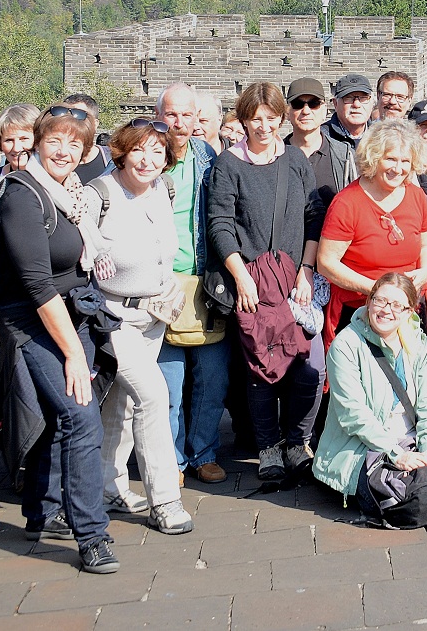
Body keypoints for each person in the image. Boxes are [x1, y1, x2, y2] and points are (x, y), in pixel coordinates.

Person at [0, 104, 118, 574]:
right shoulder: (21, 197)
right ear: (38, 143)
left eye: (75, 144)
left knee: (54, 415)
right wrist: (70, 353)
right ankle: (92, 535)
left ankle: (41, 511)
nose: (64, 151)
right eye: (54, 141)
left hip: (73, 314)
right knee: (80, 415)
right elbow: (37, 286)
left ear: (86, 152)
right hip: (33, 320)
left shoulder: (75, 196)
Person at [206, 83, 324, 489]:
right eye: (255, 118)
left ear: (281, 118)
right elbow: (220, 222)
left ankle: (297, 443)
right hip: (252, 279)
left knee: (303, 365)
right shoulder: (228, 164)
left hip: (294, 278)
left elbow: (313, 216)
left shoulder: (294, 159)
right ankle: (268, 447)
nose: (263, 125)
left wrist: (307, 270)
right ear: (243, 120)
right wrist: (240, 277)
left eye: (271, 117)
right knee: (259, 367)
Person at [92, 118, 194, 534]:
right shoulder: (98, 194)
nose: (148, 159)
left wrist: (168, 288)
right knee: (154, 394)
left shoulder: (162, 192)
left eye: (158, 151)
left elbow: (163, 253)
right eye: (139, 150)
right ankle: (166, 501)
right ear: (121, 151)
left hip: (151, 316)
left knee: (124, 403)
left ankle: (108, 487)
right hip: (111, 316)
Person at [154, 83, 231, 486]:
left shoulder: (209, 158)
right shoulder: (149, 158)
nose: (180, 122)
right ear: (159, 115)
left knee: (211, 377)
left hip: (204, 281)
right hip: (162, 283)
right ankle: (172, 460)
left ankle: (203, 452)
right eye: (172, 114)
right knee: (169, 381)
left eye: (188, 114)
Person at [314, 273, 427, 500]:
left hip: (410, 440)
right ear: (369, 301)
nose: (386, 310)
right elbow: (353, 415)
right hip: (361, 447)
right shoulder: (345, 345)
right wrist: (396, 454)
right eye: (380, 301)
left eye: (397, 305)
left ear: (409, 312)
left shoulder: (419, 342)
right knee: (405, 497)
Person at [318, 120, 427, 344]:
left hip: (407, 309)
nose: (398, 168)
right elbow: (326, 263)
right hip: (359, 311)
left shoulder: (416, 196)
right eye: (390, 159)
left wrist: (424, 272)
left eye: (405, 161)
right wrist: (377, 291)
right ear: (374, 158)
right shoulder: (347, 203)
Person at [288, 76, 356, 204]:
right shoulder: (275, 156)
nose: (306, 111)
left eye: (314, 104)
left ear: (325, 109)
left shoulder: (345, 156)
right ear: (287, 111)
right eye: (298, 104)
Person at [62, 94, 111, 182]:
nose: (72, 124)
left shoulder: (112, 161)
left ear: (95, 124)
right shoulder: (56, 163)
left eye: (79, 117)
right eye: (65, 118)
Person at [329, 74, 376, 148]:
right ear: (335, 104)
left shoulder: (381, 137)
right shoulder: (322, 138)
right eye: (348, 98)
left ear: (372, 102)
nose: (356, 104)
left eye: (363, 98)